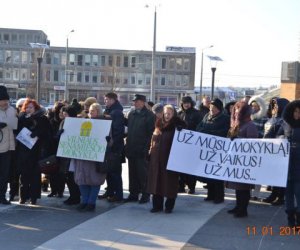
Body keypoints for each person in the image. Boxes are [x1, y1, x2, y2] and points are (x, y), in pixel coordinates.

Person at [147, 105, 186, 213]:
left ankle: (169, 206)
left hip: (170, 160)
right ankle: (157, 206)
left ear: (173, 114)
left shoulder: (178, 126)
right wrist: (150, 151)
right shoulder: (158, 124)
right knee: (156, 183)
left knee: (169, 184)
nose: (167, 116)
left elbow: (184, 143)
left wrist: (181, 130)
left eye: (169, 113)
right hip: (156, 160)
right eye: (165, 113)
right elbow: (153, 139)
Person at [16, 99, 54, 205]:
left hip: (36, 151)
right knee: (23, 175)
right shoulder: (21, 118)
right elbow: (17, 131)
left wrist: (37, 133)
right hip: (24, 150)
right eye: (27, 107)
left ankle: (33, 197)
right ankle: (23, 196)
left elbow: (47, 134)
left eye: (31, 107)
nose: (28, 109)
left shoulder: (42, 119)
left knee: (35, 175)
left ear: (35, 108)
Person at [227, 101, 258, 218]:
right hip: (236, 160)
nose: (236, 111)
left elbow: (252, 144)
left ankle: (243, 209)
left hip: (245, 162)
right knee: (237, 187)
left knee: (244, 188)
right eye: (235, 109)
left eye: (238, 109)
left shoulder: (250, 125)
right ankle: (238, 206)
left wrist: (238, 140)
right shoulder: (235, 124)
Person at [74, 103, 107, 212]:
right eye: (90, 111)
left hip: (94, 159)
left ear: (99, 111)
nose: (91, 112)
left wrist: (108, 140)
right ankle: (84, 201)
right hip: (82, 157)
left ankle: (91, 203)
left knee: (94, 181)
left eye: (93, 110)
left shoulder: (104, 124)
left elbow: (110, 142)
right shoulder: (83, 122)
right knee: (82, 180)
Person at [196, 98, 230, 203]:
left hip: (218, 150)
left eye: (214, 107)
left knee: (217, 174)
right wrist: (203, 131)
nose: (211, 109)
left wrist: (210, 132)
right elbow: (199, 127)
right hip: (207, 150)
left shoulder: (225, 118)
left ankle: (219, 197)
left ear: (219, 108)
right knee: (208, 173)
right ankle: (210, 194)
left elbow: (224, 132)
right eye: (210, 107)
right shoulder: (206, 116)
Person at [125, 94, 155, 203]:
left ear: (143, 102)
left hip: (142, 149)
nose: (135, 103)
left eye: (137, 101)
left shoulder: (149, 115)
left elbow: (150, 133)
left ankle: (145, 195)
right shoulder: (132, 114)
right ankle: (133, 194)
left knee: (142, 174)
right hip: (131, 147)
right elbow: (129, 131)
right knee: (132, 173)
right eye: (134, 101)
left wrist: (146, 148)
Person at [262, 97, 289, 206]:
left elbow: (283, 135)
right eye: (274, 106)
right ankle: (273, 194)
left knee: (281, 176)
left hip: (280, 152)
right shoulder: (273, 118)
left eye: (277, 106)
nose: (275, 108)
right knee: (273, 175)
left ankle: (280, 197)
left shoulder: (285, 120)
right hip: (271, 151)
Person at [102, 92, 125, 202]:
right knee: (108, 172)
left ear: (113, 100)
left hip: (114, 148)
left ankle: (118, 195)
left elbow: (118, 131)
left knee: (115, 173)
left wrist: (112, 142)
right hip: (109, 146)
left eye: (106, 99)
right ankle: (110, 192)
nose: (105, 101)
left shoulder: (117, 112)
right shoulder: (109, 110)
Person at [280, 100, 300, 226]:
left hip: (299, 166)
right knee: (288, 194)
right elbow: (269, 139)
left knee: (299, 193)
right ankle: (290, 217)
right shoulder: (284, 124)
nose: (298, 114)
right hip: (285, 166)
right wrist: (280, 138)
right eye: (296, 111)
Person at [178, 96, 202, 194]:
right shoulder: (180, 114)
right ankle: (181, 186)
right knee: (180, 166)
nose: (186, 105)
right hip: (181, 146)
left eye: (188, 103)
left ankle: (192, 187)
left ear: (191, 103)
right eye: (184, 103)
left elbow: (200, 127)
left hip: (193, 145)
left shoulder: (197, 114)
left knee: (191, 167)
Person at [248, 96, 268, 201]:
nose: (254, 108)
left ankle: (255, 193)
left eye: (256, 106)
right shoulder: (247, 118)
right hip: (248, 148)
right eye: (252, 106)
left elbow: (265, 133)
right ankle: (248, 192)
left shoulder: (265, 118)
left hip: (258, 148)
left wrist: (256, 137)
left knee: (257, 172)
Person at [0, 86, 16, 205]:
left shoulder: (12, 110)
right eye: (3, 100)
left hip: (8, 147)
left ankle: (2, 196)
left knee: (4, 174)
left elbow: (15, 124)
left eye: (6, 100)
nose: (5, 102)